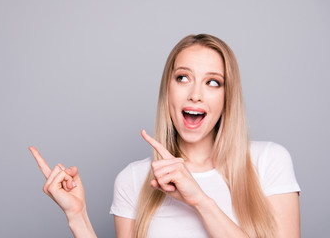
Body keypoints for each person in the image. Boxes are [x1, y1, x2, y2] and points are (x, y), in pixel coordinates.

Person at [30, 34, 301, 238]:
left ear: (228, 97)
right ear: (167, 90)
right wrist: (77, 217)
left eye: (213, 82)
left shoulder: (268, 161)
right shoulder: (133, 180)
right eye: (183, 78)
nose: (195, 93)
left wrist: (199, 200)